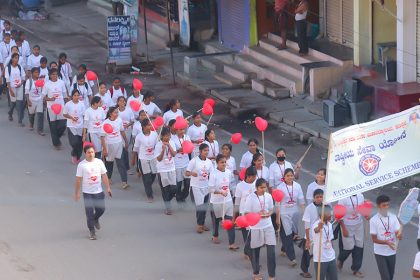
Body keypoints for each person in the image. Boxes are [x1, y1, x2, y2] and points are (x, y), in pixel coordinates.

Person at [75, 144, 112, 240]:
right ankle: (92, 231)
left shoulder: (99, 162)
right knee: (89, 212)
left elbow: (104, 175)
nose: (91, 154)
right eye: (88, 152)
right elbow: (78, 179)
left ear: (94, 152)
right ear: (85, 153)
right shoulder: (82, 165)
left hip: (98, 191)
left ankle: (96, 219)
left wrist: (108, 188)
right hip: (87, 192)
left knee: (101, 209)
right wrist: (77, 193)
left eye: (92, 152)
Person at [244, 178, 276, 280]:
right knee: (255, 251)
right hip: (256, 227)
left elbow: (271, 209)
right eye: (261, 187)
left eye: (265, 187)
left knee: (271, 252)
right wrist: (257, 215)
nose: (263, 189)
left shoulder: (269, 196)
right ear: (256, 187)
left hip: (268, 226)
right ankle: (256, 273)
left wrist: (268, 214)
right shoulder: (250, 198)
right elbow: (246, 213)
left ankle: (272, 275)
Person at [276, 168, 305, 266]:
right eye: (287, 175)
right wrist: (277, 217)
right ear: (284, 177)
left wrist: (303, 212)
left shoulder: (297, 186)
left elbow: (301, 200)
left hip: (295, 213)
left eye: (291, 175)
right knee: (288, 235)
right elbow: (278, 203)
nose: (290, 177)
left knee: (292, 233)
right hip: (284, 214)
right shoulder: (280, 187)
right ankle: (292, 258)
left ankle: (284, 248)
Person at [208, 154, 237, 249]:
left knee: (230, 221)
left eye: (225, 162)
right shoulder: (213, 173)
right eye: (222, 162)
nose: (224, 164)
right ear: (217, 163)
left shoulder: (229, 172)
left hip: (228, 201)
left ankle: (231, 243)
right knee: (216, 221)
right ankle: (215, 235)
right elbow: (210, 189)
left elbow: (231, 185)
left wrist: (234, 195)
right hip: (216, 202)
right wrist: (220, 192)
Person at [370, 194, 402, 280]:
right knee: (386, 277)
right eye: (384, 205)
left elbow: (397, 233)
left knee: (390, 277)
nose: (386, 207)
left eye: (388, 205)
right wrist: (386, 242)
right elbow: (374, 239)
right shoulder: (373, 220)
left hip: (392, 252)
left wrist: (399, 235)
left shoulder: (393, 217)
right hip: (380, 253)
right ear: (378, 206)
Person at [185, 143, 213, 233]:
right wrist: (192, 173)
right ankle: (199, 225)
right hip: (196, 187)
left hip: (206, 187)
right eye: (205, 150)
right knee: (200, 206)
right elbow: (187, 173)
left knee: (204, 206)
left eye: (207, 150)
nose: (206, 152)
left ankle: (202, 223)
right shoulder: (194, 161)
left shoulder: (209, 162)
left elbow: (212, 174)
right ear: (200, 151)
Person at [337, 193, 365, 278]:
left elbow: (362, 209)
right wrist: (343, 228)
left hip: (358, 224)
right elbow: (339, 214)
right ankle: (340, 259)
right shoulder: (343, 198)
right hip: (346, 225)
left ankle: (356, 269)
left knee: (359, 246)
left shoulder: (360, 195)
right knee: (349, 247)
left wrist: (366, 214)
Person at [101, 106, 129, 189]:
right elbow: (102, 137)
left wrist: (126, 141)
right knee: (109, 163)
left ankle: (124, 182)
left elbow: (122, 131)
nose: (117, 114)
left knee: (121, 164)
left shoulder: (119, 120)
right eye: (115, 112)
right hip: (109, 145)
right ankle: (108, 178)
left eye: (117, 112)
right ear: (110, 114)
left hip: (119, 144)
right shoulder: (105, 123)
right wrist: (105, 149)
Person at [132, 118, 158, 202]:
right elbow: (135, 149)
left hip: (153, 158)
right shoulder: (139, 137)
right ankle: (149, 195)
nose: (150, 126)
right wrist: (133, 160)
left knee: (153, 175)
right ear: (143, 126)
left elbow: (158, 146)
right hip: (143, 159)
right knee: (147, 178)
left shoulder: (154, 134)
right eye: (148, 125)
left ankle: (147, 186)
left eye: (151, 124)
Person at [234, 166, 257, 260]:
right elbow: (237, 202)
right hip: (244, 215)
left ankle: (247, 251)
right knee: (247, 237)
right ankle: (252, 257)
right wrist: (235, 216)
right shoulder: (240, 186)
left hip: (255, 214)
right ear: (248, 176)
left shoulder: (256, 183)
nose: (255, 178)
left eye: (255, 176)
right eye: (253, 176)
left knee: (253, 237)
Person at [301, 188, 324, 278]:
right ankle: (305, 270)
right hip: (311, 236)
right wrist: (307, 239)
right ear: (314, 198)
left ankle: (322, 270)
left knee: (320, 254)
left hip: (322, 236)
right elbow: (307, 225)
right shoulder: (309, 208)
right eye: (317, 197)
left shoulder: (325, 207)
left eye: (321, 197)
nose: (319, 199)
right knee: (307, 255)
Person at [154, 127, 177, 215]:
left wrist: (169, 145)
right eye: (167, 136)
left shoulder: (172, 143)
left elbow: (174, 154)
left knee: (174, 188)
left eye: (169, 135)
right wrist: (163, 150)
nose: (168, 137)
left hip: (171, 168)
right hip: (162, 169)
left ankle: (168, 200)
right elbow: (159, 159)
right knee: (165, 189)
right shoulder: (158, 145)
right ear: (162, 136)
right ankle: (168, 207)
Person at [42, 68, 67, 149]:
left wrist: (67, 104)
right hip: (51, 108)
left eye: (56, 74)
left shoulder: (61, 83)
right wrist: (50, 99)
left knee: (62, 124)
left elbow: (65, 94)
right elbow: (43, 97)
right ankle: (56, 143)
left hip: (61, 106)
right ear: (49, 75)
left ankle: (57, 138)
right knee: (53, 126)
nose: (54, 76)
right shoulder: (47, 84)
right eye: (53, 74)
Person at [312, 205, 338, 280]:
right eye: (328, 213)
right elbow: (315, 230)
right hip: (320, 258)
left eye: (330, 212)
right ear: (321, 214)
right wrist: (319, 228)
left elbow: (330, 239)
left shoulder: (330, 225)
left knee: (334, 278)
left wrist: (333, 252)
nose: (330, 214)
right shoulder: (316, 224)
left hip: (331, 257)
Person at [63, 89, 85, 164]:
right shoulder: (68, 104)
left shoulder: (82, 104)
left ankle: (78, 157)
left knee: (80, 143)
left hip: (80, 126)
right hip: (71, 125)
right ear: (72, 96)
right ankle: (73, 154)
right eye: (75, 95)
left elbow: (84, 115)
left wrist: (85, 126)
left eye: (78, 95)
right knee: (75, 142)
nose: (76, 97)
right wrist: (71, 117)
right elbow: (64, 114)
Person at [5, 53, 26, 125]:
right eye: (15, 58)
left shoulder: (20, 67)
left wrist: (21, 83)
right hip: (12, 87)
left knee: (19, 104)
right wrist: (10, 90)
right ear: (12, 58)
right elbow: (7, 80)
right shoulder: (8, 68)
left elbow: (23, 77)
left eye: (18, 58)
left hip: (19, 87)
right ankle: (10, 112)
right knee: (13, 103)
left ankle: (20, 121)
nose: (17, 59)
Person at [172, 126, 191, 204]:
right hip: (177, 163)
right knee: (178, 182)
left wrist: (187, 149)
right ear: (176, 130)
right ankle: (179, 197)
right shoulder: (172, 139)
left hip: (186, 163)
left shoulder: (187, 137)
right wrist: (179, 150)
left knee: (187, 182)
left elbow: (190, 148)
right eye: (180, 129)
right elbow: (172, 152)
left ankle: (184, 195)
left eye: (183, 129)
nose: (182, 131)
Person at [117, 96, 135, 174]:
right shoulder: (116, 111)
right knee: (121, 149)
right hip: (119, 133)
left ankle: (126, 168)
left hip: (128, 132)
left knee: (125, 149)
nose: (122, 102)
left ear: (125, 102)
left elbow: (132, 121)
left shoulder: (129, 110)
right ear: (118, 102)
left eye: (123, 101)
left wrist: (127, 125)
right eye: (120, 101)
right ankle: (124, 167)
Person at [25, 67, 45, 135]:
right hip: (31, 100)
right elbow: (27, 92)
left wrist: (43, 99)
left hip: (39, 100)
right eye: (36, 72)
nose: (37, 74)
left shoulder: (41, 81)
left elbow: (43, 91)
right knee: (31, 114)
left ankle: (40, 130)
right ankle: (31, 123)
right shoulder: (29, 81)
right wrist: (28, 101)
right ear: (32, 73)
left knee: (40, 115)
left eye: (38, 72)